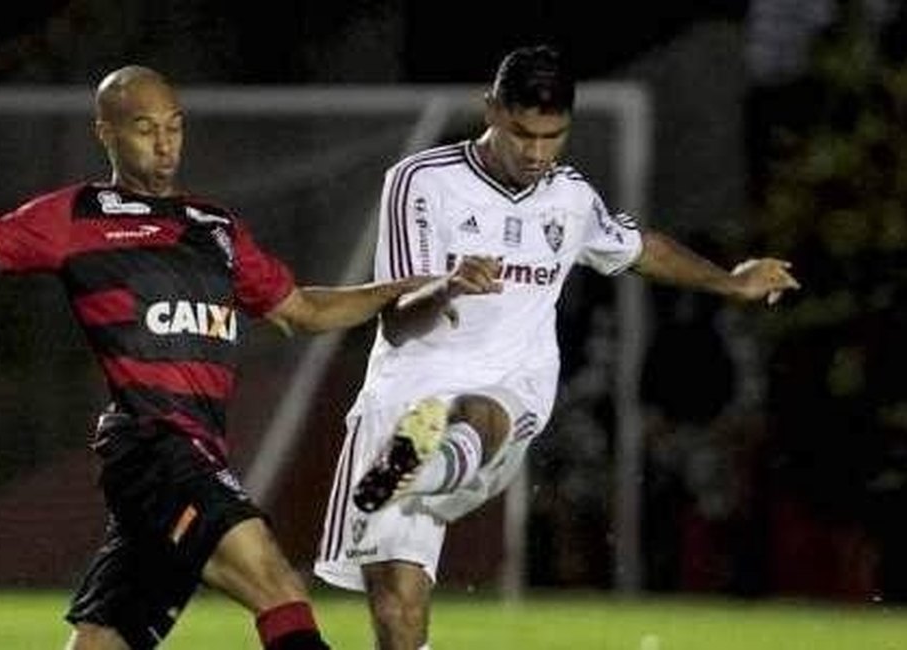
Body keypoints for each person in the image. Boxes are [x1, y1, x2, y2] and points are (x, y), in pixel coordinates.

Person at [0, 65, 501, 650]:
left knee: (106, 639)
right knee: (277, 585)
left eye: (174, 126)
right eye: (145, 128)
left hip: (189, 453)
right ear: (107, 132)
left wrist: (416, 286)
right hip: (154, 448)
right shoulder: (78, 215)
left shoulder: (215, 228)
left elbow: (302, 311)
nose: (164, 143)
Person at [312, 44, 801, 650]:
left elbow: (639, 248)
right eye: (522, 134)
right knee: (396, 608)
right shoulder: (420, 183)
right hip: (406, 392)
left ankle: (427, 467)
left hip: (509, 389)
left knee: (479, 409)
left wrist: (729, 280)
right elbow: (398, 323)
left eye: (554, 136)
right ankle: (416, 466)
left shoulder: (569, 198)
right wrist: (449, 285)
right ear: (490, 110)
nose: (538, 153)